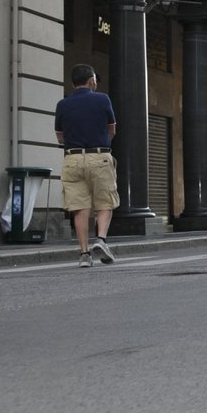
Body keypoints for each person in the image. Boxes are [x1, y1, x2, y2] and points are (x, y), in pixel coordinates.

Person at [53, 64, 118, 268]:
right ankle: (101, 240)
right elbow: (112, 130)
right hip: (99, 156)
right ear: (91, 81)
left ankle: (84, 254)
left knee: (79, 206)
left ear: (73, 84)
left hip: (72, 158)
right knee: (105, 201)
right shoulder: (102, 99)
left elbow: (60, 137)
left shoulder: (62, 104)